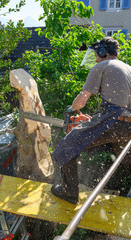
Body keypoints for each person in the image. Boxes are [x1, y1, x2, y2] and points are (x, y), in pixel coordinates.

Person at [51, 37, 131, 204]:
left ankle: (69, 193)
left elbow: (81, 100)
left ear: (103, 52)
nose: (95, 58)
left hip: (112, 120)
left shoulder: (102, 66)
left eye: (96, 54)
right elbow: (121, 105)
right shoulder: (128, 69)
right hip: (127, 125)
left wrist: (71, 109)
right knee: (125, 156)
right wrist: (95, 120)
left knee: (68, 147)